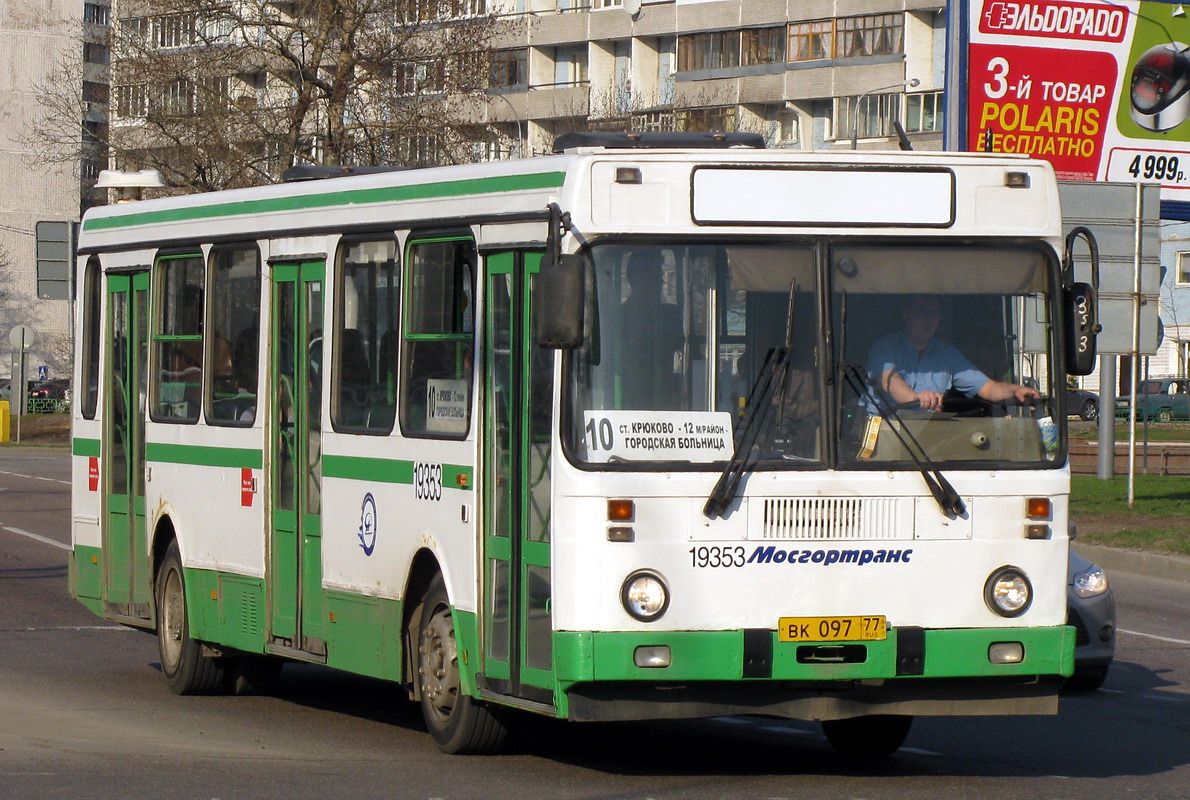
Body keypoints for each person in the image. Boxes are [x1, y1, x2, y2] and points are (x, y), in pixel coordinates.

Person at [867, 295, 1038, 411]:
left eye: (934, 313)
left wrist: (1014, 389)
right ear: (906, 313)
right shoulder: (884, 348)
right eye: (921, 312)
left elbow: (988, 388)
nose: (928, 319)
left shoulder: (948, 354)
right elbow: (890, 382)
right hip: (883, 434)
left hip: (926, 436)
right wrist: (917, 398)